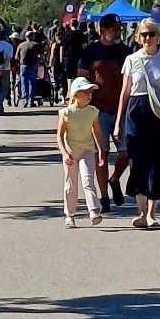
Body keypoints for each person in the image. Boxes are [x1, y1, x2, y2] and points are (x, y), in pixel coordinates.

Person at [112, 20, 160, 229]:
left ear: (159, 36)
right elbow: (125, 93)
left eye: (152, 34)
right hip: (136, 112)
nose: (148, 38)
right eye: (144, 34)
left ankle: (152, 214)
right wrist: (118, 122)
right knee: (137, 161)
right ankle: (141, 212)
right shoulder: (131, 60)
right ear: (138, 36)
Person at [78, 15, 132, 209]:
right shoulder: (91, 52)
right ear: (103, 30)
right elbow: (81, 79)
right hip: (98, 111)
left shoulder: (126, 52)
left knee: (126, 151)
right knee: (101, 154)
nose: (117, 31)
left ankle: (115, 179)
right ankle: (103, 197)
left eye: (119, 28)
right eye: (114, 28)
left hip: (122, 109)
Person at [58, 76, 107, 228]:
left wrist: (100, 150)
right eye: (85, 92)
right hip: (71, 151)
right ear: (76, 95)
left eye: (90, 92)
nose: (89, 95)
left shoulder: (93, 111)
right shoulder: (66, 113)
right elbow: (59, 136)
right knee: (71, 184)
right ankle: (70, 215)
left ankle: (93, 210)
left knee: (87, 180)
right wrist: (65, 153)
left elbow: (97, 131)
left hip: (87, 149)